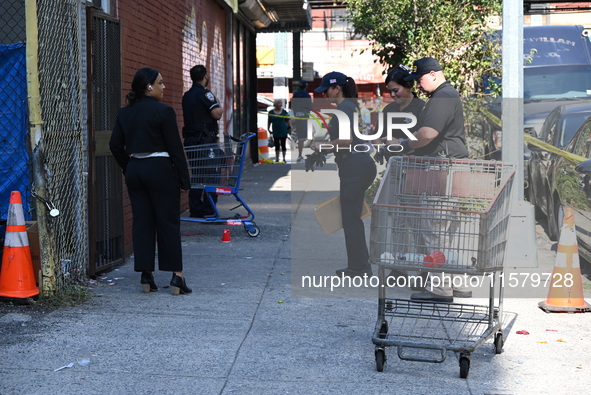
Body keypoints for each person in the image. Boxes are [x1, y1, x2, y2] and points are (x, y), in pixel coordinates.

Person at [109, 67, 192, 295]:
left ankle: (146, 275)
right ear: (149, 86)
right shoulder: (163, 112)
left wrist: (129, 167)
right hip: (161, 170)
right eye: (160, 83)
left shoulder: (124, 113)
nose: (164, 87)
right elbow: (175, 148)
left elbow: (115, 145)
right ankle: (177, 277)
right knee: (167, 222)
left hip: (136, 169)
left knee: (142, 221)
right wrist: (185, 180)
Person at [395, 56, 470, 302]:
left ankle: (440, 288)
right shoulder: (447, 95)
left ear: (435, 74)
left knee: (435, 231)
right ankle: (457, 283)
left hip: (441, 172)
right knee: (450, 233)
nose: (418, 84)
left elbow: (427, 134)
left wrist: (404, 144)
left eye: (420, 78)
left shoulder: (442, 97)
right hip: (451, 171)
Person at [313, 71, 377, 277]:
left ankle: (359, 267)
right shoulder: (349, 107)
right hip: (357, 165)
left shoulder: (346, 108)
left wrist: (322, 146)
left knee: (351, 218)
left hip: (354, 166)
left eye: (327, 90)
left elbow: (346, 140)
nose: (325, 95)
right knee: (351, 216)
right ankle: (359, 265)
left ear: (337, 88)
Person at [182, 65, 223, 218]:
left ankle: (196, 208)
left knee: (198, 175)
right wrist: (217, 101)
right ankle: (208, 208)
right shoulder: (206, 94)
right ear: (205, 76)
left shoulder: (186, 95)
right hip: (205, 142)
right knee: (212, 174)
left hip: (191, 141)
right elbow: (217, 114)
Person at [374, 64, 426, 165]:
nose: (392, 95)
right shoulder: (389, 109)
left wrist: (399, 143)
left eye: (396, 90)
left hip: (415, 166)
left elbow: (423, 138)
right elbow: (376, 135)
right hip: (393, 165)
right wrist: (381, 148)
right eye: (390, 91)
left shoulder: (421, 107)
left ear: (407, 86)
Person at [291, 80, 313, 162]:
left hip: (296, 117)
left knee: (297, 135)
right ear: (306, 87)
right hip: (304, 118)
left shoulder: (295, 95)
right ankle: (299, 156)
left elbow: (292, 105)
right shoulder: (307, 96)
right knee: (302, 138)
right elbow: (310, 107)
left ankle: (296, 150)